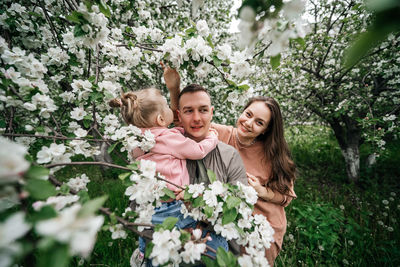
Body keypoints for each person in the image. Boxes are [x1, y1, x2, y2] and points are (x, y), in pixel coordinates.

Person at [165, 68, 297, 267]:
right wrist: (174, 88)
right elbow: (185, 120)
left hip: (261, 224)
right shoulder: (220, 134)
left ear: (266, 129)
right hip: (225, 217)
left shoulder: (273, 155)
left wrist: (263, 191)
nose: (249, 123)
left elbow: (285, 197)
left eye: (259, 122)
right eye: (248, 114)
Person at [108, 88, 227, 265]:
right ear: (161, 119)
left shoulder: (136, 140)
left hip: (151, 201)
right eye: (166, 105)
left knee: (150, 231)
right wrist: (212, 137)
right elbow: (198, 151)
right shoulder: (169, 138)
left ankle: (143, 254)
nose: (171, 109)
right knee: (206, 237)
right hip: (172, 203)